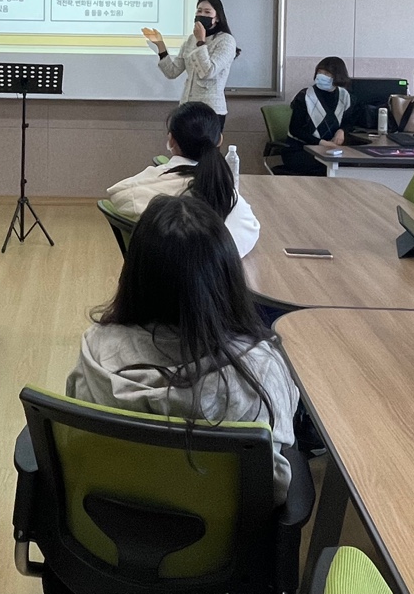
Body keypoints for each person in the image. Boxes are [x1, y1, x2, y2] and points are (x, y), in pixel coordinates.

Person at [66, 194, 300, 504]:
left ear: (134, 275)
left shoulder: (96, 349)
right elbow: (274, 489)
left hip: (107, 524)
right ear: (226, 279)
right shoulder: (261, 368)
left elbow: (76, 446)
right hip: (220, 533)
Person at [106, 101, 260, 257]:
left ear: (171, 140)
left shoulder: (135, 190)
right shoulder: (227, 195)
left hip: (154, 269)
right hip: (211, 272)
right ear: (219, 140)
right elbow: (243, 238)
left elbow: (118, 196)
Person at [143, 0, 239, 130]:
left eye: (207, 12)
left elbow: (208, 72)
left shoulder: (226, 41)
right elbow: (172, 72)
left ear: (217, 17)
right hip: (187, 108)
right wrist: (160, 45)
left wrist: (201, 42)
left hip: (210, 111)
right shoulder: (190, 40)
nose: (201, 15)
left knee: (204, 144)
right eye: (199, 11)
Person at [279, 57, 353, 175]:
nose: (321, 76)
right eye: (319, 72)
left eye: (327, 73)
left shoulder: (344, 96)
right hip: (300, 150)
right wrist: (322, 143)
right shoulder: (305, 95)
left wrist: (342, 131)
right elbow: (295, 130)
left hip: (330, 150)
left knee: (349, 164)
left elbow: (349, 121)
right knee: (326, 166)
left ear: (338, 76)